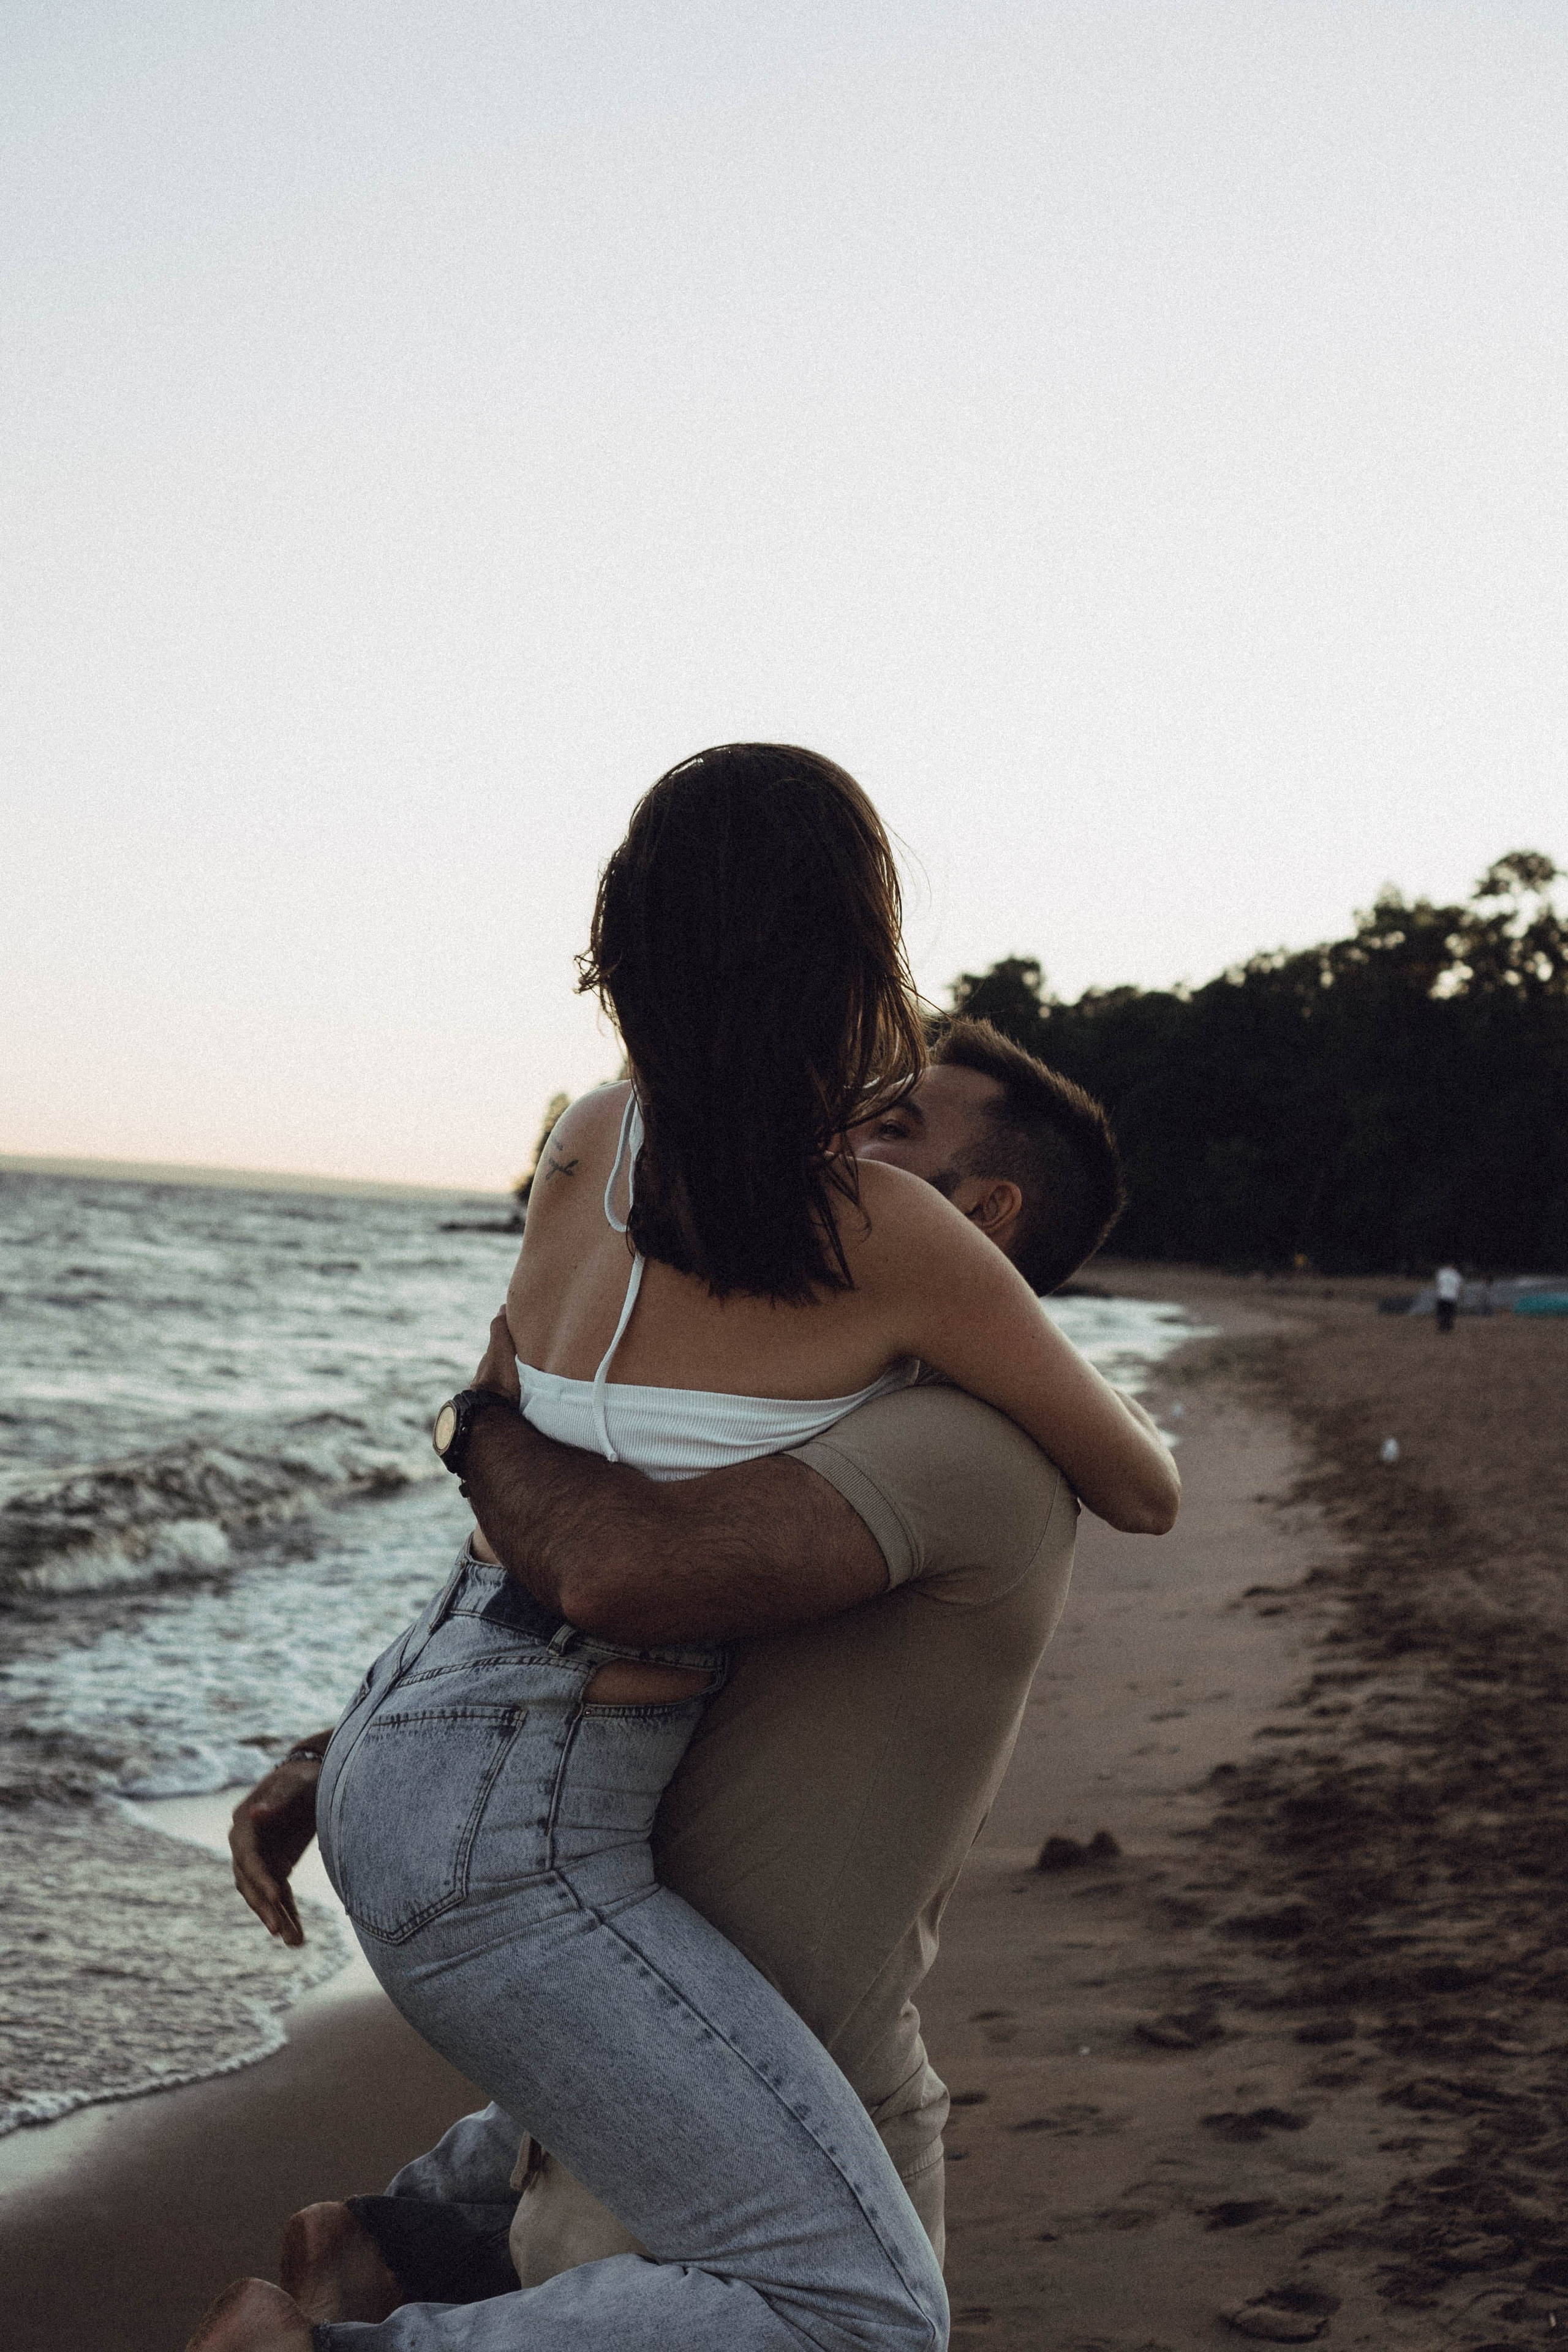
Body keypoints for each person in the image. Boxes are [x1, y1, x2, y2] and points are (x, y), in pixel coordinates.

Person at [193, 745, 1178, 2351]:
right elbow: (600, 1573)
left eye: (898, 1127)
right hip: (534, 1842)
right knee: (857, 2316)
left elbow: (532, 1464)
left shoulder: (600, 1145)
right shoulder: (862, 1300)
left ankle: (397, 2237)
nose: (859, 1131)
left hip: (479, 1785)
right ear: (851, 961)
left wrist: (368, 1719)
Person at [1434, 1262, 1463, 1333]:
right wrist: (1460, 1296)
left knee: (1441, 1312)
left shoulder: (1442, 1273)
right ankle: (1448, 1327)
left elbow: (1438, 1284)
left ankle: (1442, 1327)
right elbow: (1460, 1287)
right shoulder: (1457, 1275)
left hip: (1442, 1296)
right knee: (1450, 1313)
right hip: (1452, 1297)